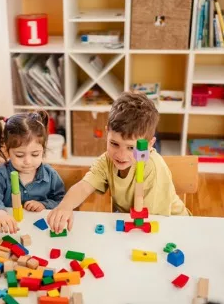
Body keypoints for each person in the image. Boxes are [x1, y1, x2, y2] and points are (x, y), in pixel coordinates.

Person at [47, 92, 189, 233]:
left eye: (131, 148)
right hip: (132, 222)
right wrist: (65, 206)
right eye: (114, 144)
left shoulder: (153, 168)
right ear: (107, 132)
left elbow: (153, 220)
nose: (121, 155)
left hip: (173, 226)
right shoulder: (107, 160)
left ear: (149, 145)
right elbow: (84, 186)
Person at [0, 111, 65, 234]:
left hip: (40, 233)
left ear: (43, 149)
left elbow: (62, 200)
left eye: (35, 154)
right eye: (19, 155)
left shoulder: (50, 175)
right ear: (8, 151)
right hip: (9, 231)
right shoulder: (2, 174)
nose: (27, 161)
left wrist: (44, 204)